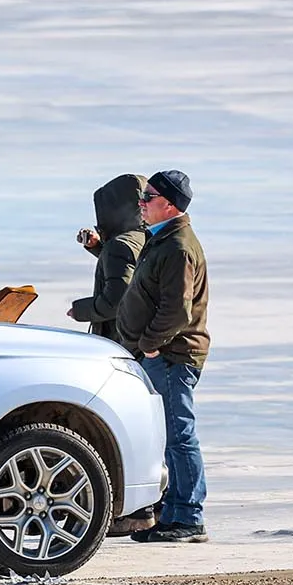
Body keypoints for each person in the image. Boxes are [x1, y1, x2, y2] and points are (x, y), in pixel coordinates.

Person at [116, 169, 210, 544]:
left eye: (149, 197)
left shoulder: (178, 247)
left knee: (179, 434)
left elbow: (177, 309)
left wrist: (151, 343)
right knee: (166, 434)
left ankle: (188, 517)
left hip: (173, 354)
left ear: (169, 205)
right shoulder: (162, 239)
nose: (141, 203)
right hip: (161, 353)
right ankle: (171, 513)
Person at [68, 175, 148, 340]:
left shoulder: (117, 246)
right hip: (144, 336)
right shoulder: (150, 238)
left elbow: (117, 300)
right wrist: (98, 247)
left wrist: (80, 310)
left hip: (122, 340)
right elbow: (131, 266)